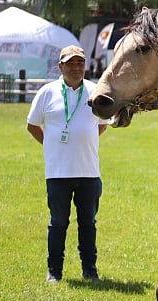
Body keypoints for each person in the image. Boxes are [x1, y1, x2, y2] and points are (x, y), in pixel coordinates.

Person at [26, 45, 109, 282]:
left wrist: (85, 139)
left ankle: (90, 271)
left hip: (89, 172)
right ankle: (54, 272)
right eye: (70, 63)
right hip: (57, 172)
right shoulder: (47, 92)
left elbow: (103, 124)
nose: (76, 68)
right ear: (60, 66)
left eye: (80, 63)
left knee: (88, 224)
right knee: (58, 223)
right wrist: (50, 145)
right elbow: (32, 125)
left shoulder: (96, 91)